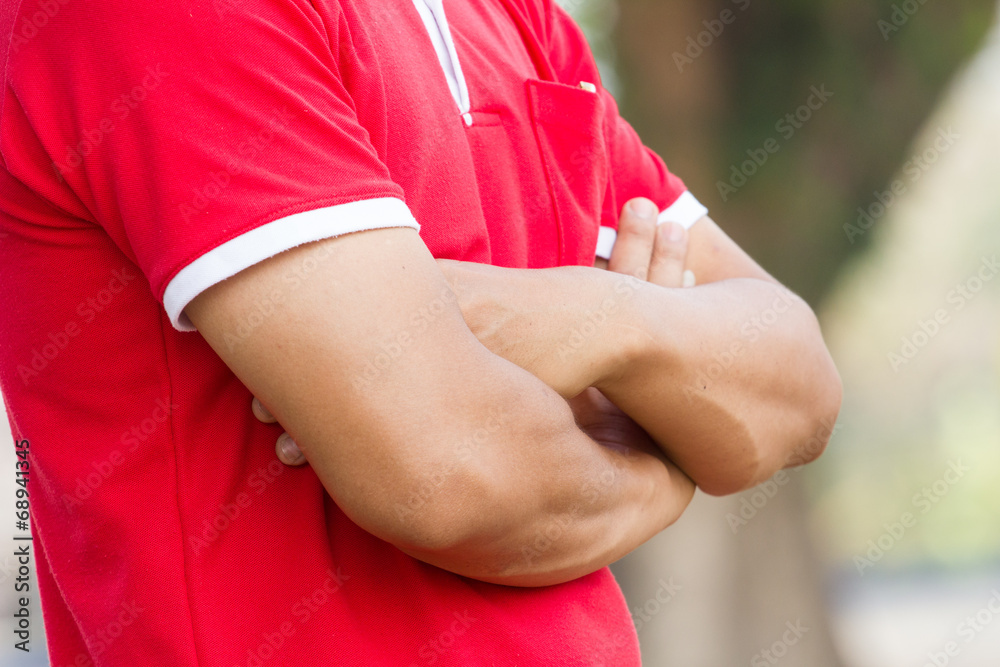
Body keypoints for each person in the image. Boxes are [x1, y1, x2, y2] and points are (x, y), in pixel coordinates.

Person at [0, 0, 841, 664]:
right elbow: (450, 479)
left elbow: (799, 383)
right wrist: (667, 462)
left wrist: (601, 318)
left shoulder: (513, 17)